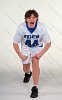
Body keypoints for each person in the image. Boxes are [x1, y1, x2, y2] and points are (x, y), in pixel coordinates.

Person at [13, 9, 51, 98]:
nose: (31, 19)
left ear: (37, 18)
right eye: (29, 17)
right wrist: (21, 55)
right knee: (25, 68)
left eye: (33, 17)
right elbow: (15, 43)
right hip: (26, 47)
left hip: (37, 47)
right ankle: (28, 73)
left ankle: (35, 87)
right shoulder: (21, 27)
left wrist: (40, 54)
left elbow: (48, 43)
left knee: (35, 62)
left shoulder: (41, 27)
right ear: (26, 19)